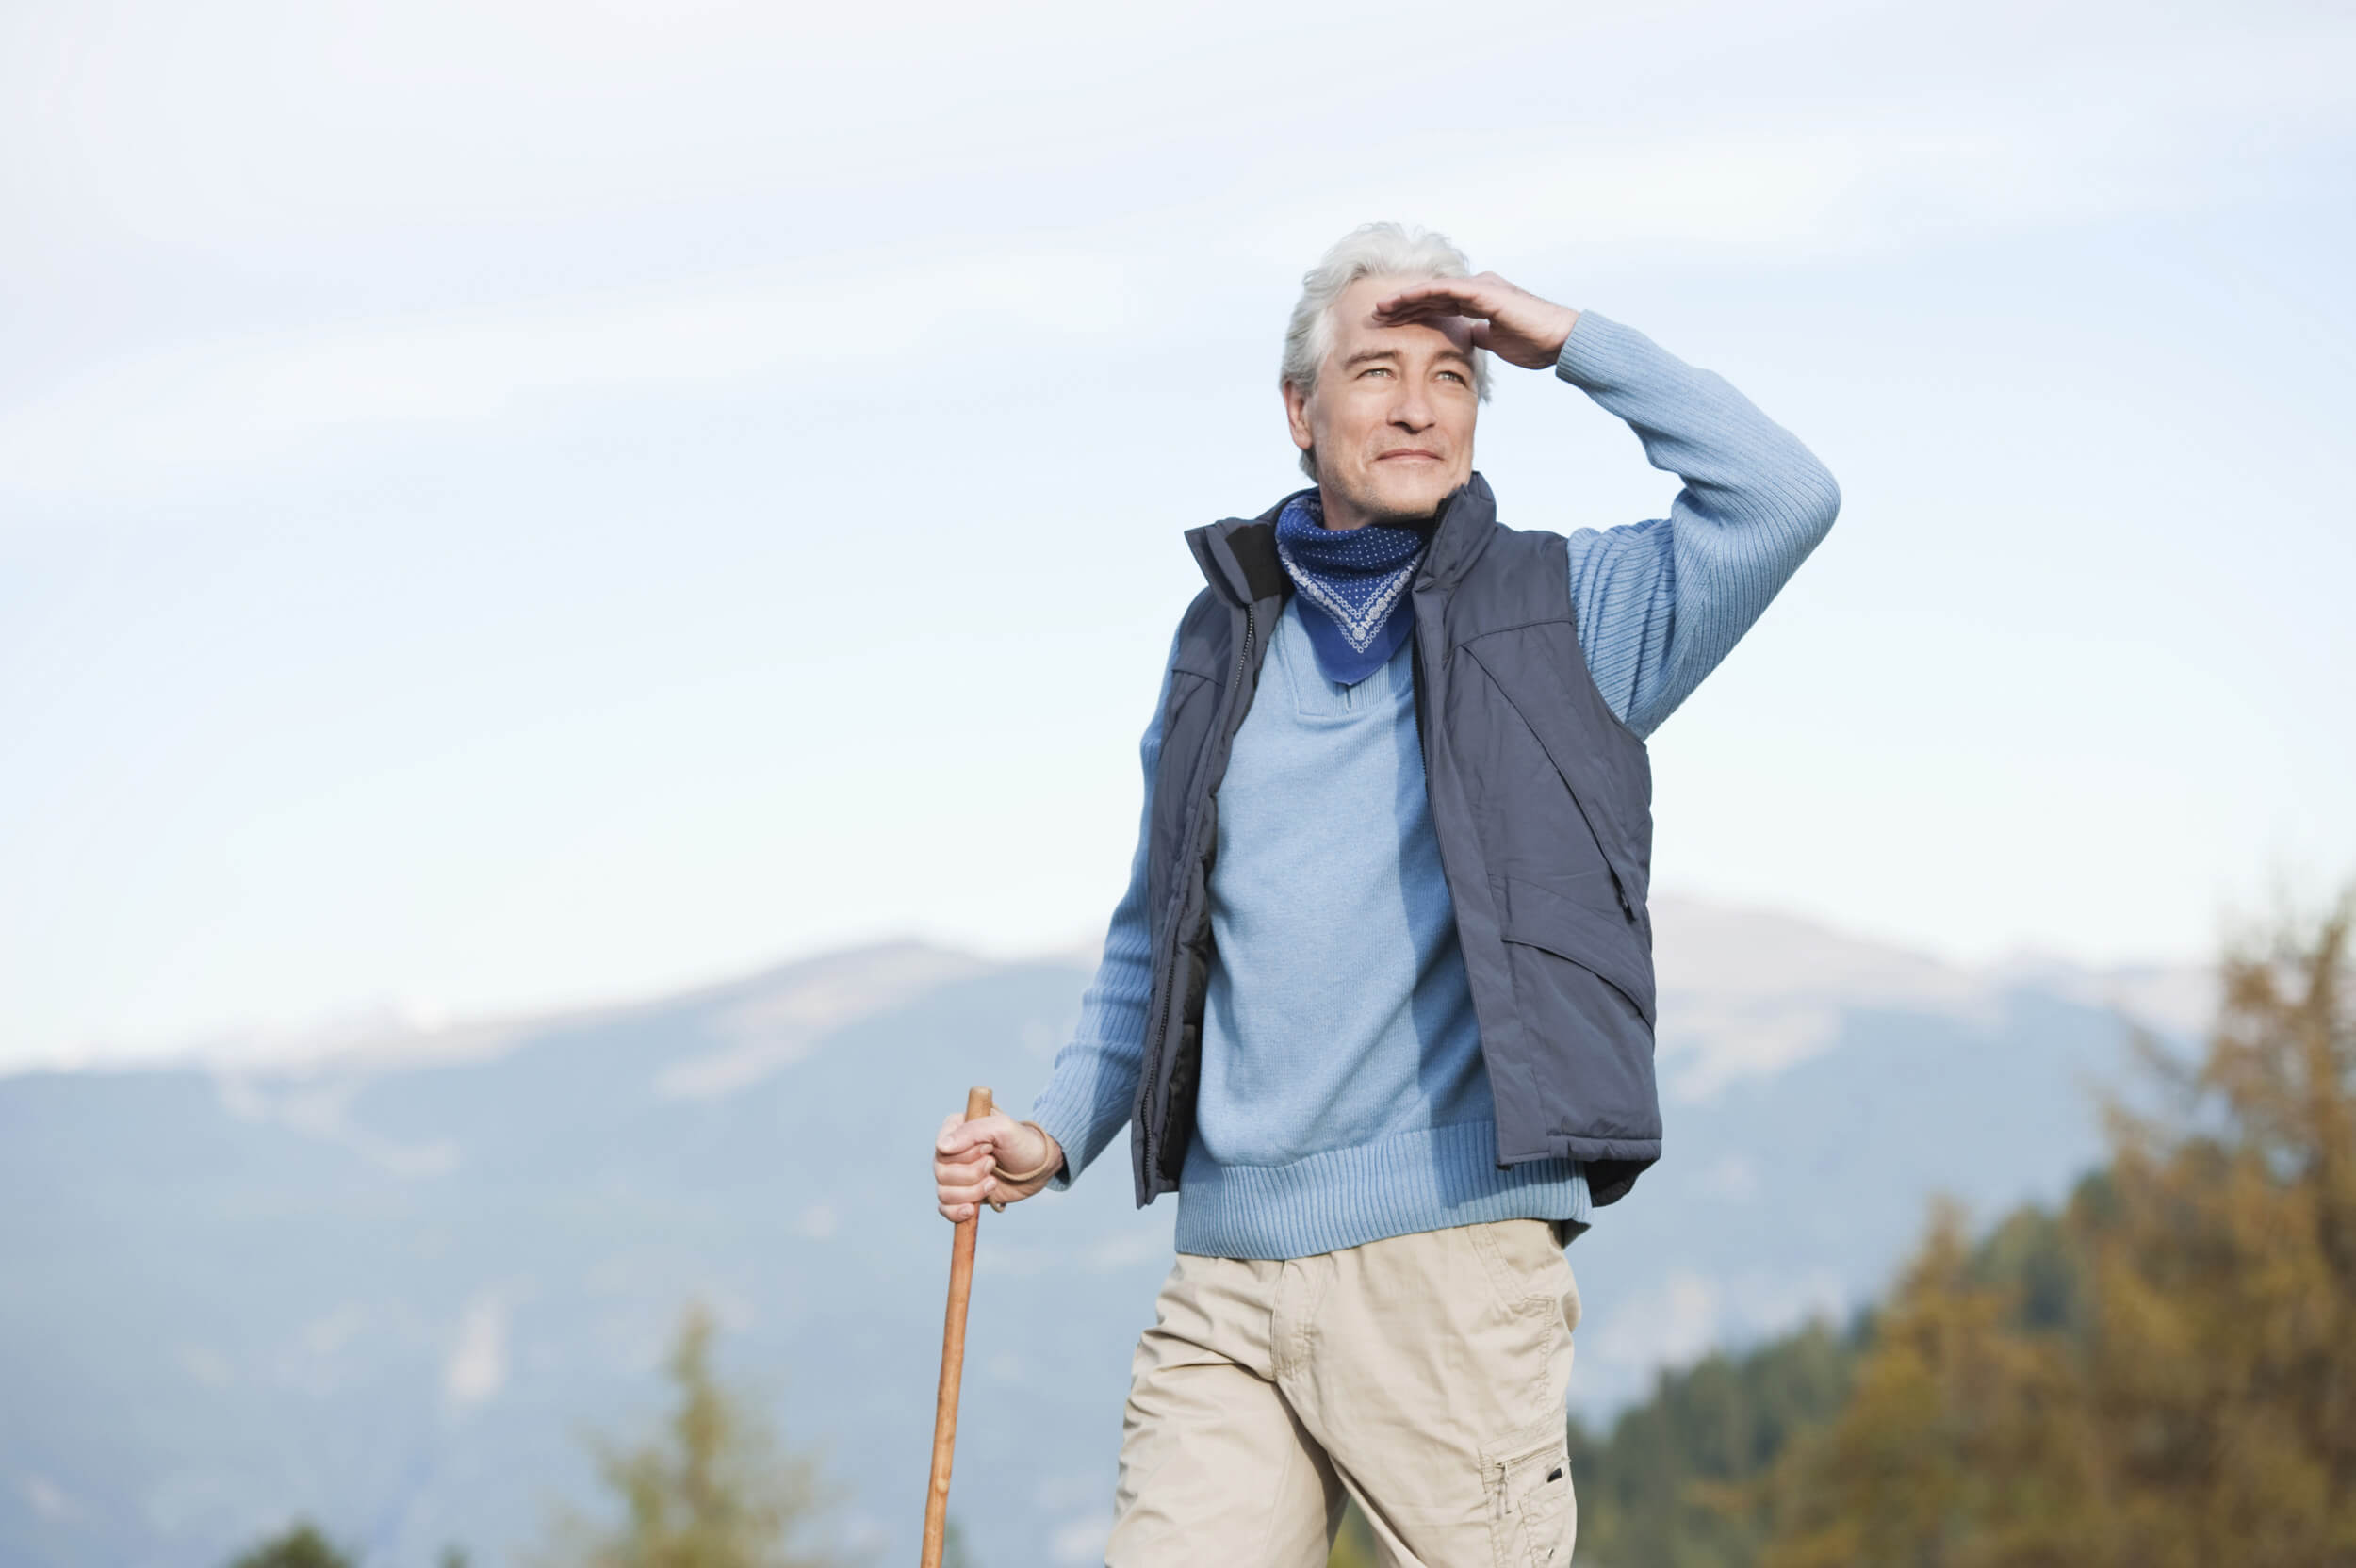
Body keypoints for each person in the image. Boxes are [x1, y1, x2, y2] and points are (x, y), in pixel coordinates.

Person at [931, 221, 1841, 1566]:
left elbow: (1782, 497)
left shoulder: (1572, 612)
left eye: (1453, 375)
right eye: (1376, 371)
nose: (1418, 404)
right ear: (1300, 412)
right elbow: (1157, 938)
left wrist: (1566, 341)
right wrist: (1056, 1133)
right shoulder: (1220, 640)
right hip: (1226, 1282)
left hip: (1451, 1281)